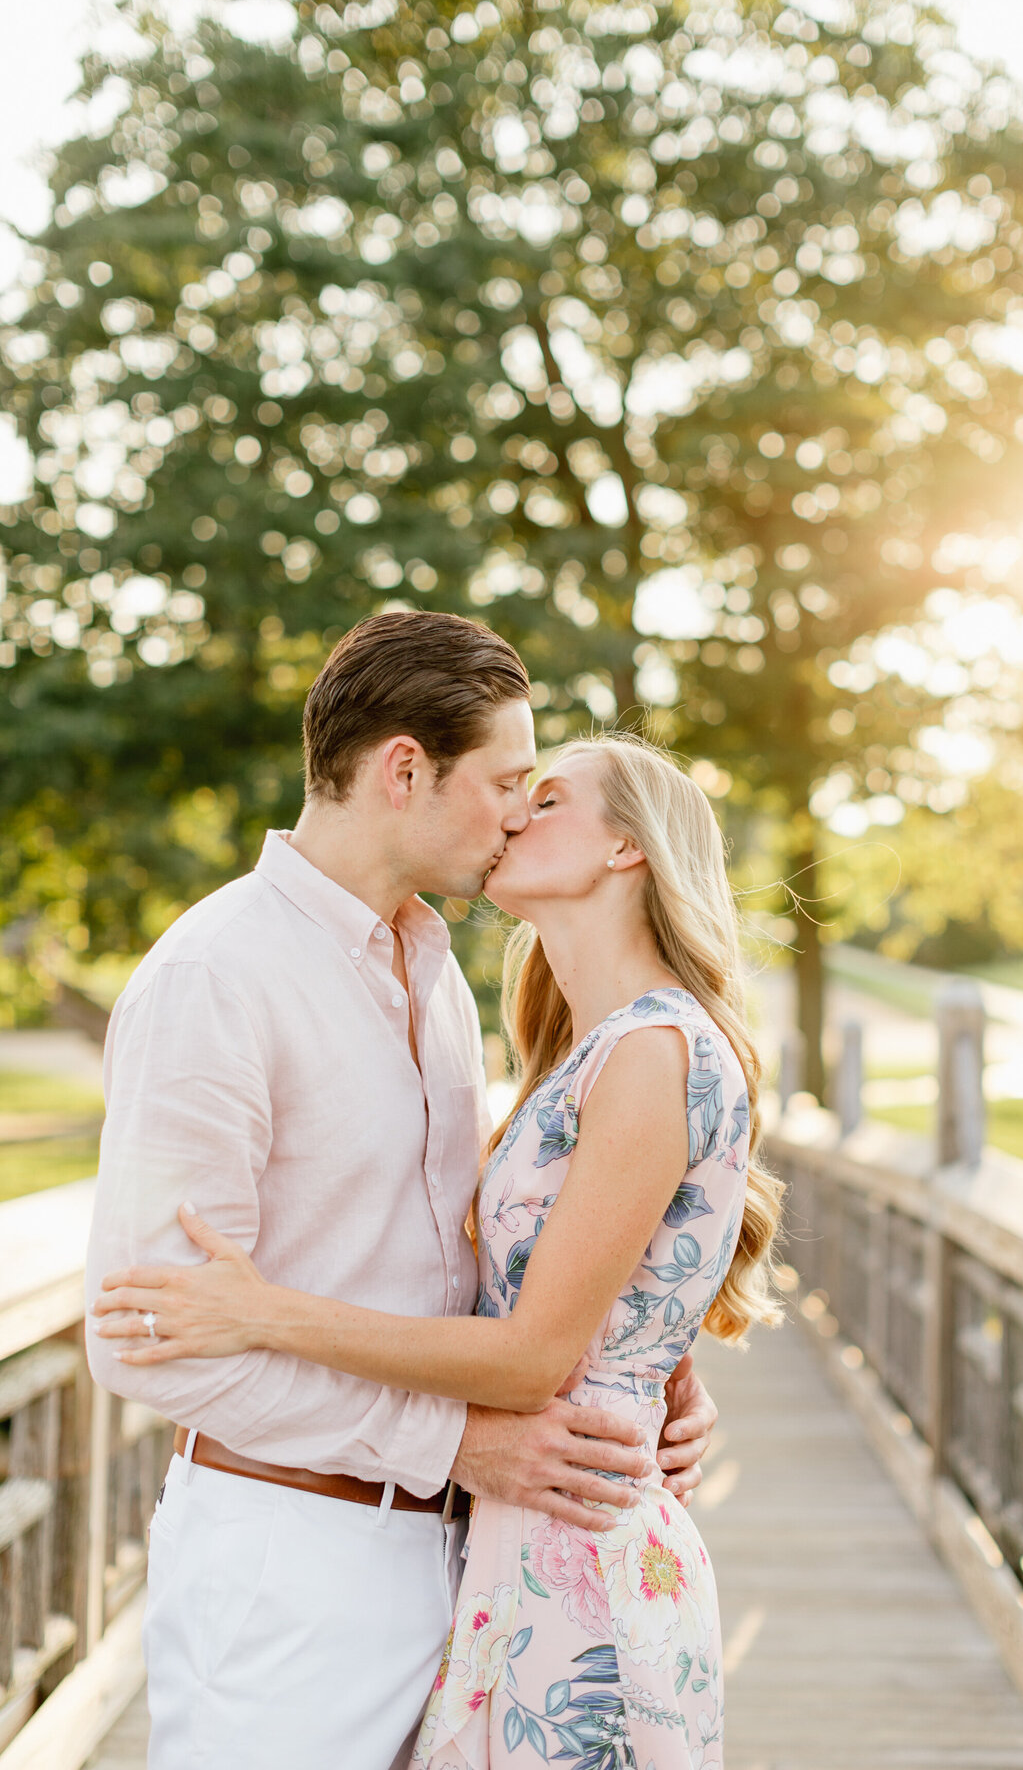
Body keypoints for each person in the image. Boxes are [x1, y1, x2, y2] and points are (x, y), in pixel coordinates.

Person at [84, 613, 720, 1770]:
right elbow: (146, 1343)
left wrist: (643, 1364)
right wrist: (451, 1444)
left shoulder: (436, 974)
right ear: (405, 770)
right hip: (290, 1573)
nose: (520, 813)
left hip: (469, 1567)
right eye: (507, 783)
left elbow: (472, 1260)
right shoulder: (213, 978)